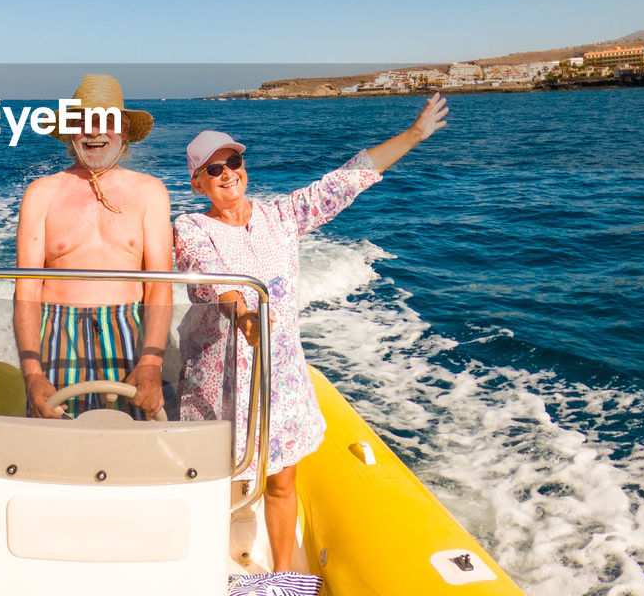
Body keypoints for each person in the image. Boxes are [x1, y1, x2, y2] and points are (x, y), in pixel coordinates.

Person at [173, 93, 449, 572]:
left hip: (280, 381)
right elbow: (211, 273)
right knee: (212, 483)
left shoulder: (281, 216)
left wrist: (414, 135)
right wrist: (245, 315)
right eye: (213, 171)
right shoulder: (191, 226)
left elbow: (344, 181)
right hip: (219, 386)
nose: (227, 174)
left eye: (233, 162)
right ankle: (201, 569)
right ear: (199, 184)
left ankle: (281, 575)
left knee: (282, 483)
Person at [14, 74, 173, 419]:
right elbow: (26, 287)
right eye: (83, 121)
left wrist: (151, 362)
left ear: (125, 131)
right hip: (56, 332)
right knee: (56, 448)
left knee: (133, 447)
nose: (95, 131)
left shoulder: (151, 192)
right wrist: (33, 374)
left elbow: (159, 285)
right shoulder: (41, 193)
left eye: (107, 121)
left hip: (130, 328)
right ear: (72, 131)